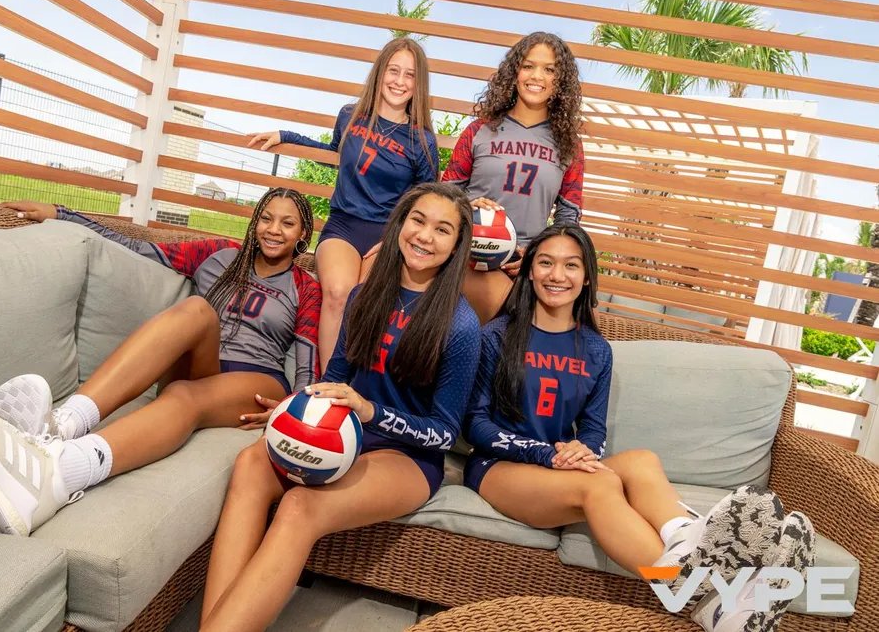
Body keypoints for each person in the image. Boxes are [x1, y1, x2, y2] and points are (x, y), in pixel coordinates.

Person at [463, 223, 815, 632]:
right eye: (545, 263)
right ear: (529, 272)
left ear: (587, 276)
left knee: (642, 460)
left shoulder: (596, 350)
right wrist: (546, 454)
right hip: (498, 468)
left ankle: (686, 538)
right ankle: (704, 589)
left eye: (571, 265)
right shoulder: (498, 335)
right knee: (599, 484)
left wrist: (584, 449)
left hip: (557, 467)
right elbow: (475, 423)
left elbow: (593, 429)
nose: (557, 275)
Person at [0, 187, 321, 537]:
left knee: (184, 395)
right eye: (266, 218)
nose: (274, 230)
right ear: (255, 222)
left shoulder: (306, 288)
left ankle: (58, 474)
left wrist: (293, 411)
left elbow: (307, 361)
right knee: (197, 310)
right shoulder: (219, 255)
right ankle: (62, 425)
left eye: (287, 223)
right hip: (204, 363)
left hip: (255, 381)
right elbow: (131, 245)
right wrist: (63, 214)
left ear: (303, 233)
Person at [198, 182, 481, 632]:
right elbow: (335, 379)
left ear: (457, 244)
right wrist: (293, 409)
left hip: (406, 457)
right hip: (344, 435)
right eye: (418, 220)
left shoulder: (462, 325)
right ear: (400, 224)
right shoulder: (363, 296)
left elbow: (445, 432)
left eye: (442, 229)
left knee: (299, 507)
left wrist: (371, 412)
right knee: (250, 462)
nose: (425, 236)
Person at [249, 37, 439, 371]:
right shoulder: (351, 116)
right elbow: (333, 154)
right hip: (344, 225)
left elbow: (424, 202)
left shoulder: (422, 139)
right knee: (338, 292)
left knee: (364, 300)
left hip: (387, 235)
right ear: (380, 73)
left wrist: (395, 239)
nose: (399, 81)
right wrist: (286, 136)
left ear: (418, 83)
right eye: (393, 70)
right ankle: (326, 383)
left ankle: (354, 384)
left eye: (409, 74)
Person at [443, 31, 585, 323]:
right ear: (514, 72)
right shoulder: (479, 130)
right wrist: (467, 208)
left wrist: (539, 256)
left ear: (561, 81)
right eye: (528, 66)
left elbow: (568, 217)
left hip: (523, 265)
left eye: (550, 69)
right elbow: (445, 195)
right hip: (468, 255)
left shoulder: (569, 145)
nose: (537, 76)